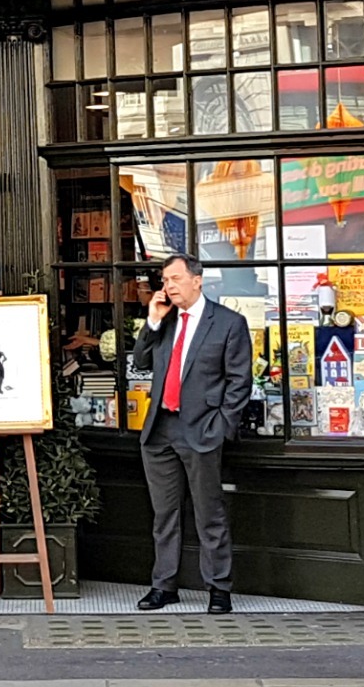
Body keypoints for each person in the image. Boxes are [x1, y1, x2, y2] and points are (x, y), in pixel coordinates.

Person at [128, 253, 251, 614]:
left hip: (201, 429)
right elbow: (141, 361)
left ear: (198, 280)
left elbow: (239, 382)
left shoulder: (228, 323)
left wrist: (221, 427)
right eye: (165, 280)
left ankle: (218, 587)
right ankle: (163, 585)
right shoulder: (164, 321)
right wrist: (151, 320)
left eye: (176, 279)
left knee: (208, 512)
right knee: (164, 515)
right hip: (160, 429)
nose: (169, 287)